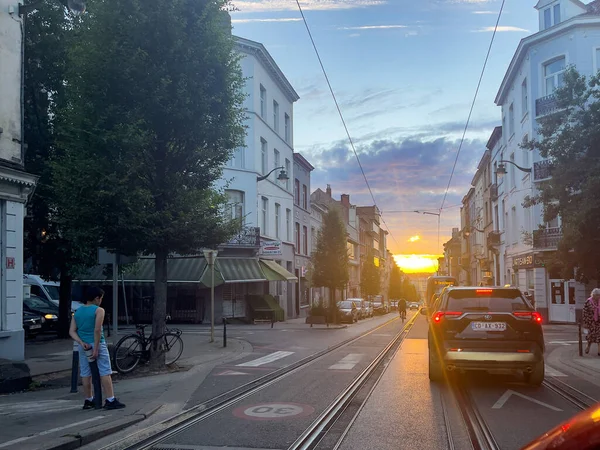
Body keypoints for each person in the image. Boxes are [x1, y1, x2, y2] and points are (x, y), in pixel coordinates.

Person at [69, 287, 125, 410]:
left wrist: (81, 342)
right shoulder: (99, 311)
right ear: (96, 298)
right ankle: (110, 399)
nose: (101, 301)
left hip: (83, 346)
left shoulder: (77, 312)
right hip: (97, 343)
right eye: (101, 298)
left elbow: (72, 331)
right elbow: (97, 330)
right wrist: (96, 348)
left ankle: (89, 399)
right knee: (105, 371)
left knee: (85, 373)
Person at [583, 288, 600, 356]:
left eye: (599, 295)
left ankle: (599, 351)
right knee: (590, 336)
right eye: (597, 295)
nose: (598, 297)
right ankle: (587, 347)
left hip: (599, 322)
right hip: (591, 322)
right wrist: (586, 322)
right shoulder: (588, 301)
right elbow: (585, 312)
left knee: (599, 337)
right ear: (593, 295)